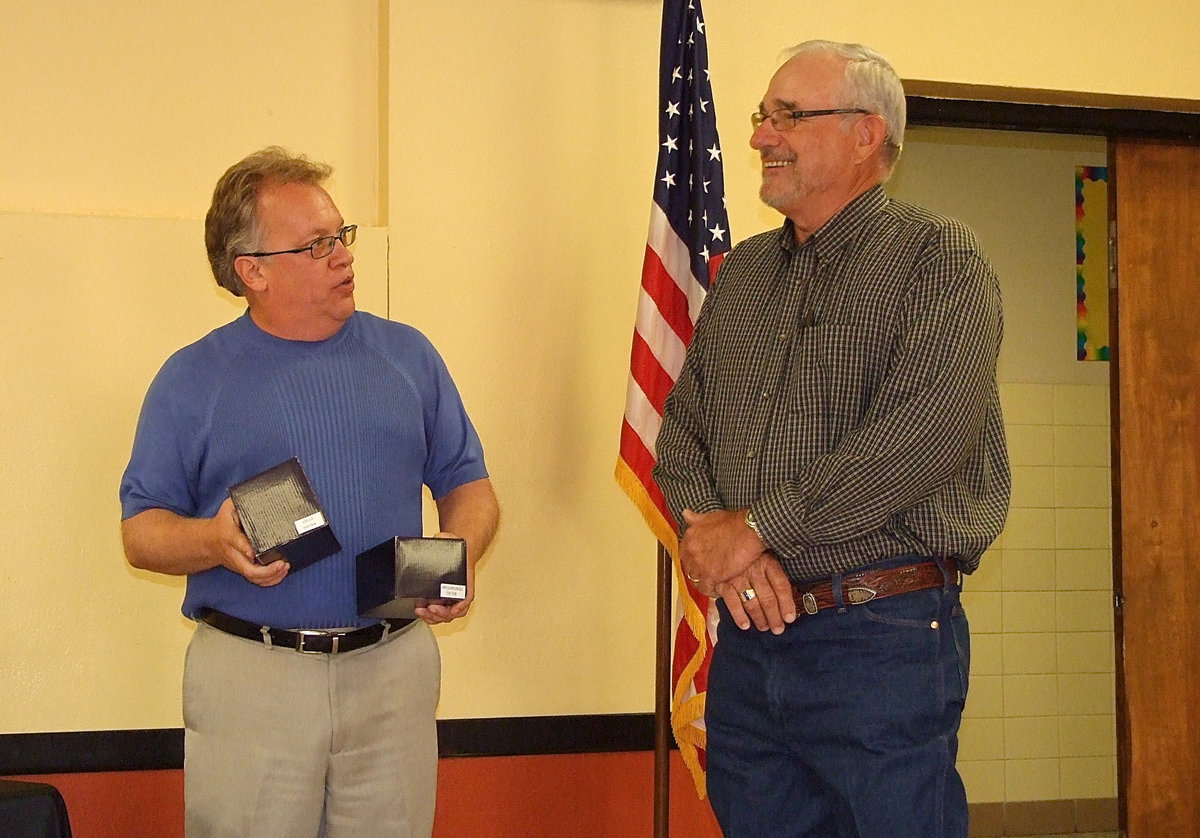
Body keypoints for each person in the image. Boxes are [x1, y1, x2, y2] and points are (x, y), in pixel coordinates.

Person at [653, 40, 1010, 838]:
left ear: (865, 135)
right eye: (762, 116)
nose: (759, 136)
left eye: (789, 116)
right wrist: (719, 539)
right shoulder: (742, 274)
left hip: (881, 639)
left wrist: (756, 529)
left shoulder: (938, 261)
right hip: (750, 636)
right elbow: (682, 434)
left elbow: (921, 438)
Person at [119, 147, 499, 838]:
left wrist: (456, 552)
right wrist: (214, 540)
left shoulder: (409, 356)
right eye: (317, 244)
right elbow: (141, 532)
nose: (342, 256)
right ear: (252, 271)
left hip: (392, 670)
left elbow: (470, 486)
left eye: (341, 235)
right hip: (252, 677)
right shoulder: (191, 379)